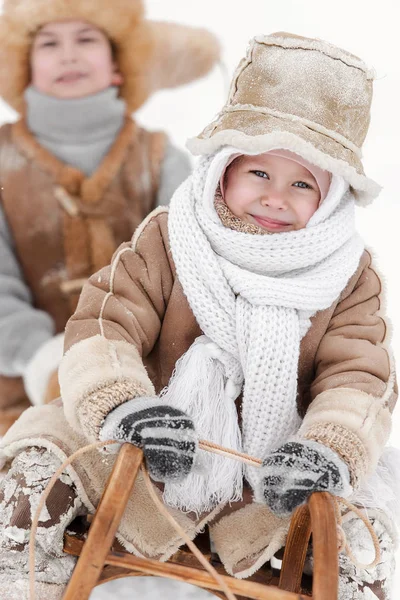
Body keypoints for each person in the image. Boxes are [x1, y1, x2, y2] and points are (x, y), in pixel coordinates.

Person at [0, 32, 398, 600]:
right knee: (36, 461)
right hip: (142, 453)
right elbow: (106, 324)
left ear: (331, 197)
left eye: (303, 183)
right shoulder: (171, 236)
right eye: (259, 173)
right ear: (223, 171)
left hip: (275, 478)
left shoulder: (349, 273)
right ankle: (23, 581)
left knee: (366, 529)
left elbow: (360, 376)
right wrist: (124, 404)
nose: (276, 197)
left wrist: (326, 446)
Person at [0, 0, 220, 433]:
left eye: (86, 39)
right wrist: (45, 361)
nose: (69, 54)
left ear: (117, 65)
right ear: (26, 66)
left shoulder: (160, 159)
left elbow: (192, 271)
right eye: (49, 43)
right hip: (16, 395)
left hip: (148, 384)